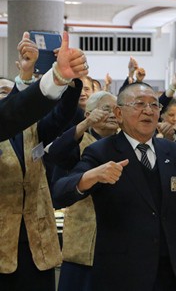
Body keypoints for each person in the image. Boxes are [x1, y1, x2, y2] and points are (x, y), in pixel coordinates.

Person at [52, 82, 176, 291]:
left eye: (154, 105)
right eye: (139, 104)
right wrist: (90, 177)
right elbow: (60, 192)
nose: (148, 111)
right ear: (119, 113)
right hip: (122, 272)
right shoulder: (101, 152)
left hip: (172, 270)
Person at [0, 31, 85, 291]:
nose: (6, 96)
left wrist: (66, 82)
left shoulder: (34, 129)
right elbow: (14, 110)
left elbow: (58, 115)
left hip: (37, 243)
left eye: (8, 91)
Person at [46, 91, 119, 291]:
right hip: (82, 241)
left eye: (116, 109)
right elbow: (55, 154)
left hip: (118, 244)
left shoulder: (125, 144)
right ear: (89, 114)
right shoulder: (77, 142)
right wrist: (85, 125)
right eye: (106, 109)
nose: (113, 114)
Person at [0, 31, 88, 141]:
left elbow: (62, 114)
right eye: (3, 92)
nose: (10, 96)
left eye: (12, 91)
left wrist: (59, 77)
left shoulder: (33, 125)